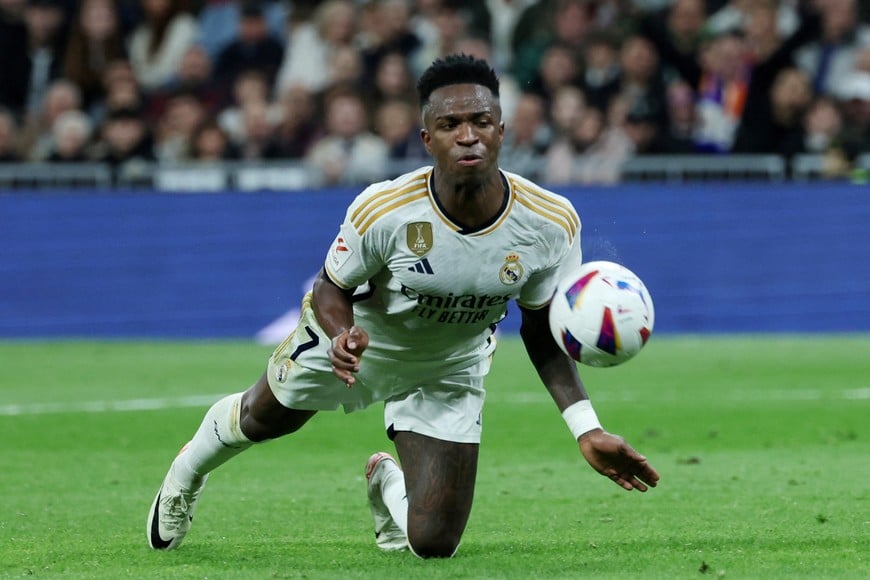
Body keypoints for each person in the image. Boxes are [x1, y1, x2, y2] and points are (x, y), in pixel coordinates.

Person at [146, 54, 660, 558]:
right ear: (426, 139)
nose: (467, 135)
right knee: (263, 419)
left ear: (502, 131)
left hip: (451, 364)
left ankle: (385, 482)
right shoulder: (385, 209)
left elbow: (541, 329)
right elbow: (331, 287)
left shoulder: (551, 223)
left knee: (434, 543)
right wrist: (342, 333)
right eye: (450, 124)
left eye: (481, 121)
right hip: (364, 342)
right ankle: (187, 473)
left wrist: (586, 427)